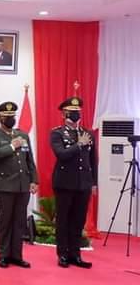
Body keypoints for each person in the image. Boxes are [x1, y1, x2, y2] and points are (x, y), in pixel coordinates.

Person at [0, 101, 37, 268]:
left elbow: (29, 160)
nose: (10, 119)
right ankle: (3, 255)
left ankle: (16, 255)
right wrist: (12, 146)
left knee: (19, 221)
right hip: (4, 185)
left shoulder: (23, 135)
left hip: (22, 185)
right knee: (5, 221)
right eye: (6, 116)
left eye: (12, 116)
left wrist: (34, 180)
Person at [50, 96, 97, 269]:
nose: (75, 114)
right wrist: (78, 145)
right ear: (64, 114)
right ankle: (63, 254)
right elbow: (61, 154)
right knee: (63, 220)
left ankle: (75, 255)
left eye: (78, 111)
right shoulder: (57, 133)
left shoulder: (88, 133)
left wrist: (94, 183)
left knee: (78, 220)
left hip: (83, 183)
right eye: (72, 112)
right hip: (64, 183)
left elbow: (93, 160)